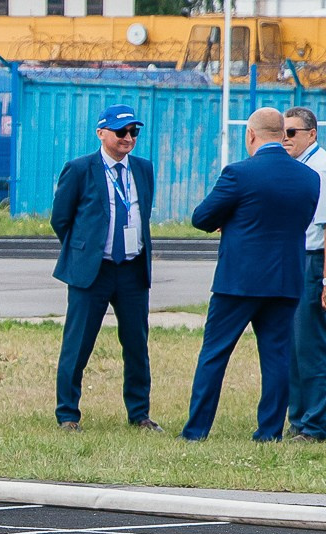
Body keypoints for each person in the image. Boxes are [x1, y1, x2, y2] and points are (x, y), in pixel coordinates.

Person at [181, 106, 321, 441]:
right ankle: (270, 432)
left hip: (238, 281)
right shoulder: (309, 177)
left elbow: (201, 218)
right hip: (286, 279)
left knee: (215, 354)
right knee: (276, 358)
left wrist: (230, 221)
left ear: (251, 135)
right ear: (282, 134)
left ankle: (197, 430)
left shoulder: (239, 173)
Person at [49, 105, 160, 432]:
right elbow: (61, 219)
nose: (128, 138)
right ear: (101, 133)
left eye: (133, 132)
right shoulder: (80, 169)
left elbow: (143, 213)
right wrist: (85, 249)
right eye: (121, 132)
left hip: (131, 269)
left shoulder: (143, 169)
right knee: (78, 343)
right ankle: (68, 414)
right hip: (92, 271)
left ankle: (139, 414)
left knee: (137, 345)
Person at [288, 108, 326, 441]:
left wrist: (325, 279)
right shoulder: (299, 167)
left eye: (292, 133)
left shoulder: (320, 168)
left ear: (311, 134)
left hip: (314, 261)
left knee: (311, 345)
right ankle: (298, 418)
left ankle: (315, 423)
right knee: (295, 345)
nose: (285, 139)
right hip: (296, 258)